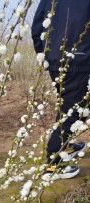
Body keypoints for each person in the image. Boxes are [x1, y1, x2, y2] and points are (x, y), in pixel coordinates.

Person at [31, 0, 90, 178]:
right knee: (74, 112)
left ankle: (66, 145)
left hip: (55, 58)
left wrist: (42, 54)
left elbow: (37, 25)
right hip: (78, 59)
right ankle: (53, 164)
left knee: (71, 107)